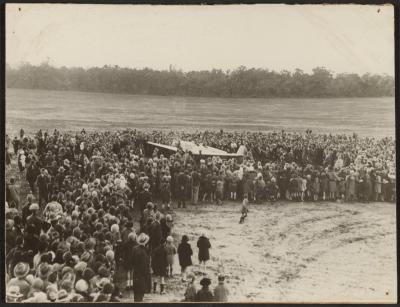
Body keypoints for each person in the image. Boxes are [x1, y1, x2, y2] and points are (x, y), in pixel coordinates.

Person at [132, 233, 151, 302]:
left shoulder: (134, 249)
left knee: (136, 293)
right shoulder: (143, 252)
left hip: (135, 273)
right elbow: (145, 266)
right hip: (142, 275)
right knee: (140, 293)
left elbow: (132, 261)